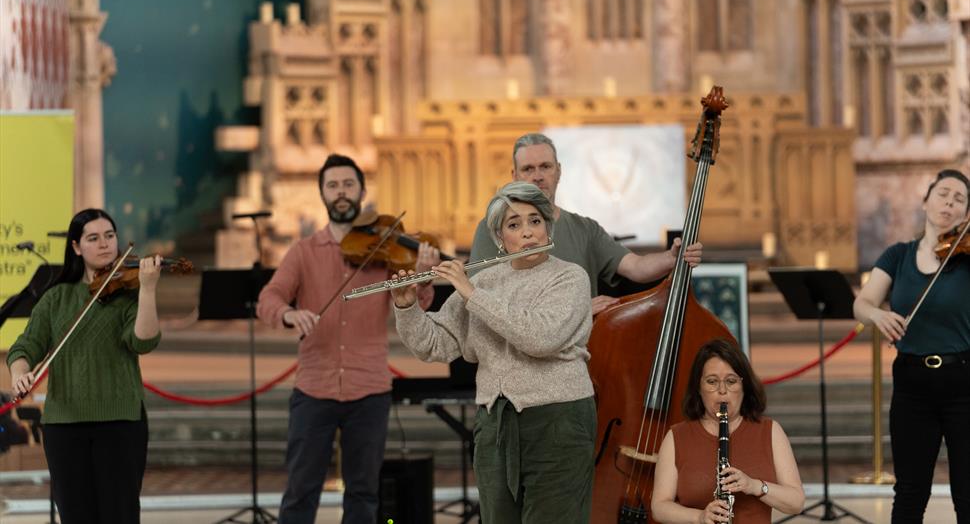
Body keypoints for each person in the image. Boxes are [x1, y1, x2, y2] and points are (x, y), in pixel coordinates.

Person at [391, 181, 597, 523]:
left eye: (535, 221)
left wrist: (472, 294)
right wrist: (407, 307)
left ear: (548, 227)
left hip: (559, 422)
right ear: (501, 239)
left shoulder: (570, 278)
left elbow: (539, 337)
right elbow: (436, 344)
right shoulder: (484, 281)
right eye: (514, 225)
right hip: (495, 425)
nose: (528, 232)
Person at [256, 153, 439, 524]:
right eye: (333, 185)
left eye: (348, 184)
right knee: (300, 492)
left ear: (361, 191)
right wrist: (289, 313)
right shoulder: (303, 252)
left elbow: (414, 304)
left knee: (363, 493)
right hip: (313, 389)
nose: (341, 192)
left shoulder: (385, 249)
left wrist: (422, 277)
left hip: (368, 389)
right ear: (322, 194)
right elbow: (268, 299)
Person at [6, 208, 162, 523]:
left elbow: (143, 341)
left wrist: (147, 289)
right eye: (93, 238)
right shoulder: (56, 298)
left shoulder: (130, 293)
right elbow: (25, 346)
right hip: (64, 424)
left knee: (120, 515)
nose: (105, 244)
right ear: (76, 247)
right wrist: (20, 372)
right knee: (76, 516)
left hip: (120, 421)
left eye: (110, 236)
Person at [468, 132, 702, 315]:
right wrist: (576, 312)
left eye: (545, 167)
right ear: (515, 175)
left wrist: (671, 258)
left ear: (558, 172)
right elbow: (481, 301)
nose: (537, 176)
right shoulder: (493, 228)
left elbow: (636, 266)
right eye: (528, 169)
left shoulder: (585, 229)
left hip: (577, 363)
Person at [853, 169, 970, 524]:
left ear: (965, 214)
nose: (949, 202)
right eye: (943, 193)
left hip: (963, 382)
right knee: (909, 492)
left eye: (959, 199)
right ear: (926, 200)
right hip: (911, 385)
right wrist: (876, 314)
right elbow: (863, 302)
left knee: (967, 493)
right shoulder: (898, 256)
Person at [652, 338, 805, 524]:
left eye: (731, 381)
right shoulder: (676, 437)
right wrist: (699, 517)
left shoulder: (770, 431)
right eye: (712, 381)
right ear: (698, 388)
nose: (722, 390)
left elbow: (796, 502)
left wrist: (754, 485)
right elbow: (659, 507)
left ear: (744, 386)